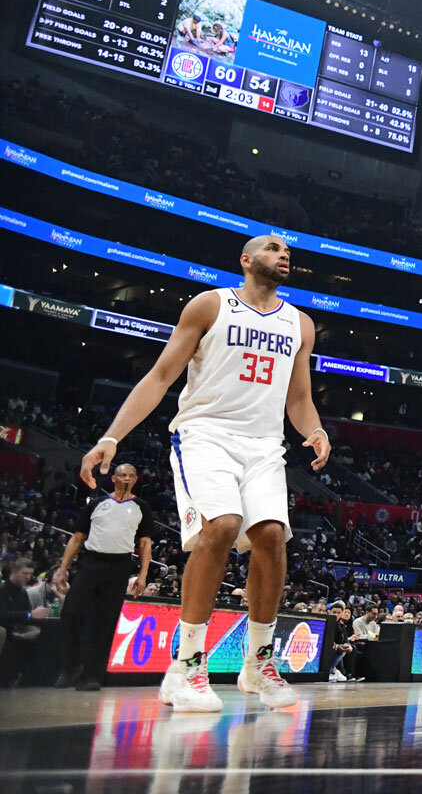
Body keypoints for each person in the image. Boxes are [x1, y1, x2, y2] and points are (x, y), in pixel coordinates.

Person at [80, 235, 329, 712]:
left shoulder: (300, 324)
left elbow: (298, 398)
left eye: (288, 253)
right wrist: (111, 437)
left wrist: (314, 430)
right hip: (205, 433)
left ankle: (257, 665)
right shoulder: (210, 305)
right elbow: (159, 376)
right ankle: (186, 667)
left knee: (273, 536)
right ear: (247, 259)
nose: (284, 255)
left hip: (263, 445)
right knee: (222, 526)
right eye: (274, 248)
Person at [55, 461, 155, 691]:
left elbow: (145, 543)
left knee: (106, 621)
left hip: (119, 565)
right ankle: (71, 667)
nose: (126, 479)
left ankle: (92, 675)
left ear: (135, 480)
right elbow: (77, 537)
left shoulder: (142, 507)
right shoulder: (98, 503)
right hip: (91, 562)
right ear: (114, 478)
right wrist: (63, 568)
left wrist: (143, 574)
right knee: (71, 612)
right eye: (122, 475)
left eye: (131, 475)